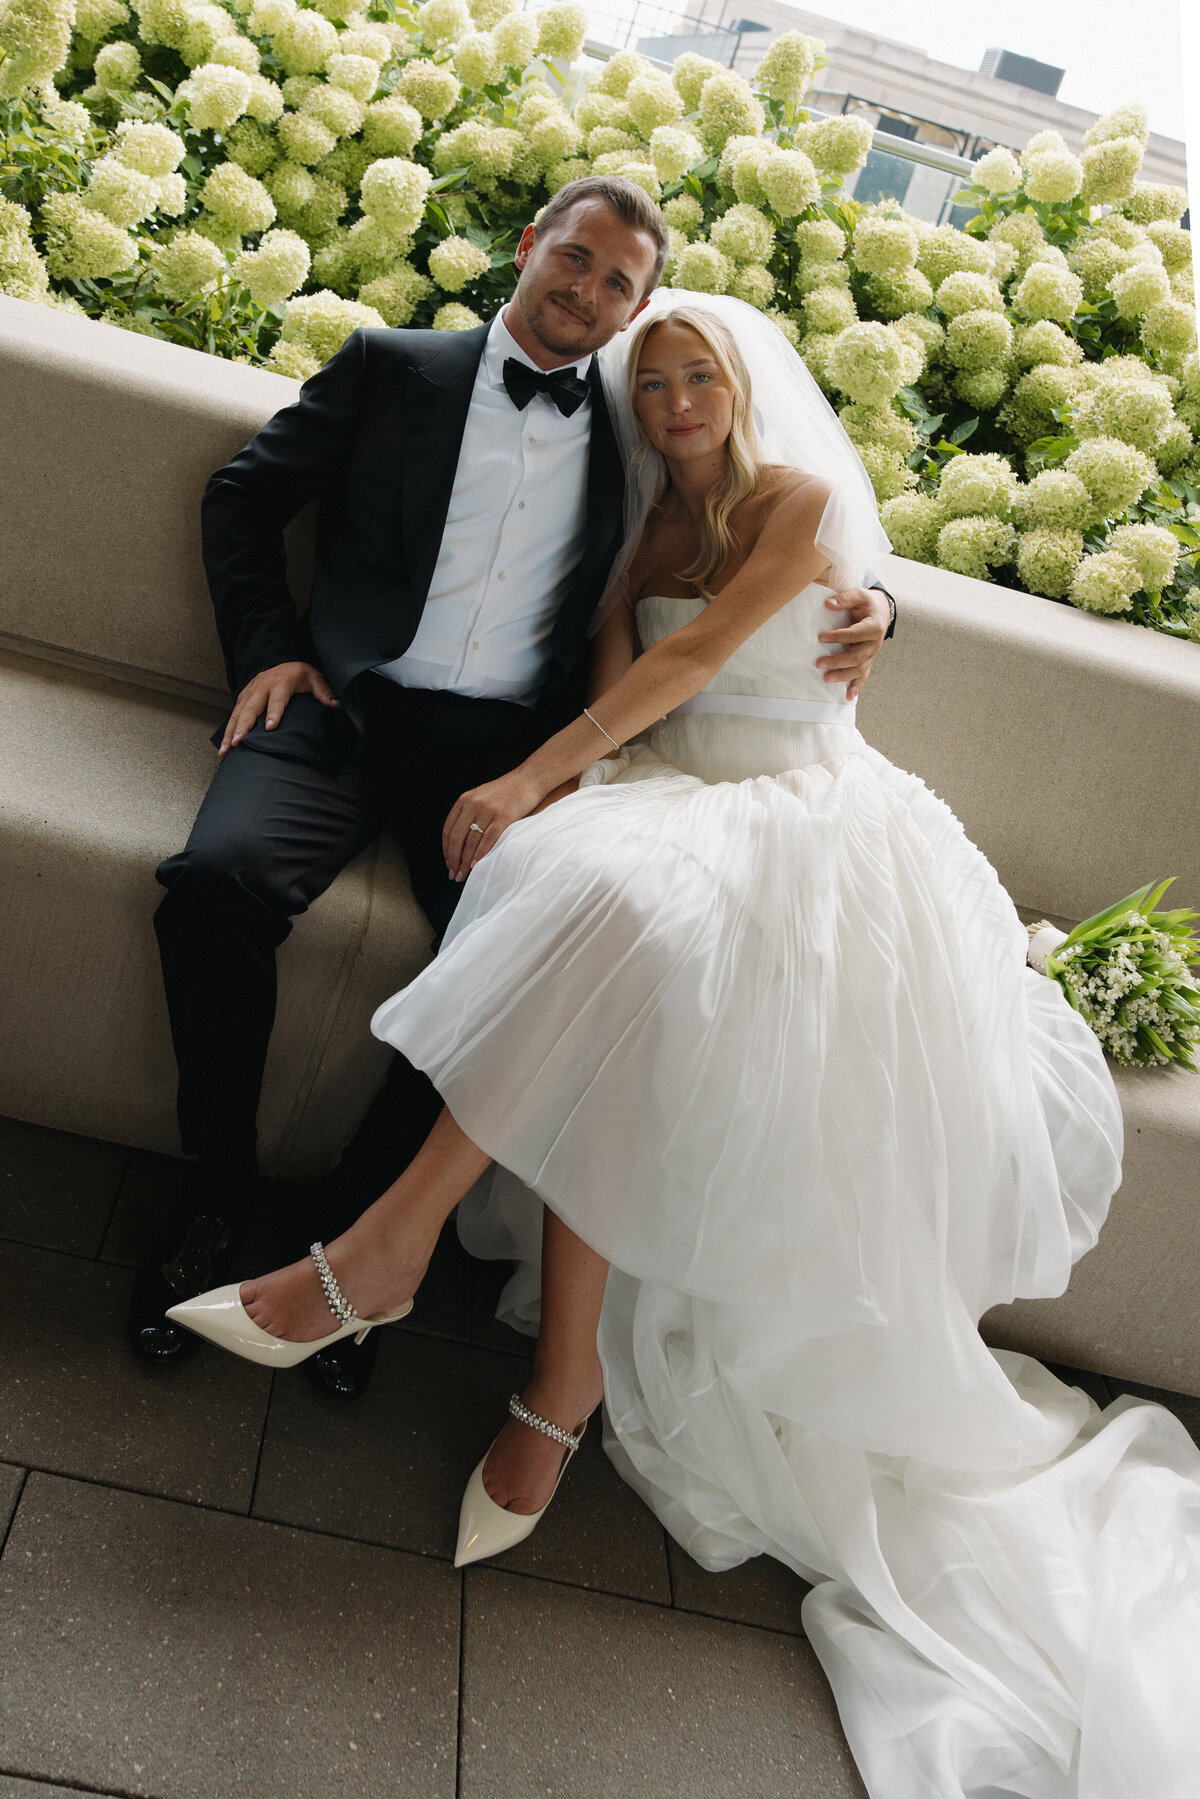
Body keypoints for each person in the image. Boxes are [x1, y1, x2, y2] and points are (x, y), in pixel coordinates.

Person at [174, 289, 1200, 1797]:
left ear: (743, 380)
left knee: (630, 920)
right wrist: (571, 787)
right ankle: (551, 1375)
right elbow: (622, 700)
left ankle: (391, 1259)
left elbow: (695, 664)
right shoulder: (642, 530)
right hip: (672, 799)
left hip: (807, 817)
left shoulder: (792, 500)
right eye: (648, 382)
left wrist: (534, 779)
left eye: (691, 372)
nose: (669, 400)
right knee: (618, 920)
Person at [130, 174, 900, 1389]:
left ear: (639, 305)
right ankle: (212, 1199)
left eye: (619, 286)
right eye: (575, 261)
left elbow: (739, 548)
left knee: (514, 958)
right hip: (338, 708)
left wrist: (872, 606)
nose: (586, 295)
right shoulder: (392, 366)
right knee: (212, 884)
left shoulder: (640, 431)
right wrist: (268, 648)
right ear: (531, 245)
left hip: (500, 752)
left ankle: (350, 1249)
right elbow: (243, 496)